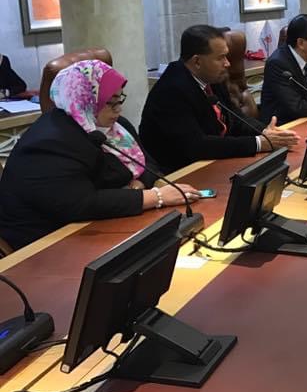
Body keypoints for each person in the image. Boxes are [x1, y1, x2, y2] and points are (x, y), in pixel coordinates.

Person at [0, 60, 199, 250]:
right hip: (48, 242)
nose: (119, 109)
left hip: (100, 224)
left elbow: (148, 164)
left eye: (120, 99)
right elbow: (81, 203)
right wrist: (155, 196)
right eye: (110, 103)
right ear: (85, 100)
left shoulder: (116, 127)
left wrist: (138, 185)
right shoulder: (50, 142)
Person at [140, 25, 299, 173]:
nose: (227, 63)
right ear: (197, 61)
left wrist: (264, 131)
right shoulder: (171, 90)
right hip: (178, 173)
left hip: (213, 162)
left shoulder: (212, 78)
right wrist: (258, 143)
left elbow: (235, 117)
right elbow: (197, 146)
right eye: (221, 58)